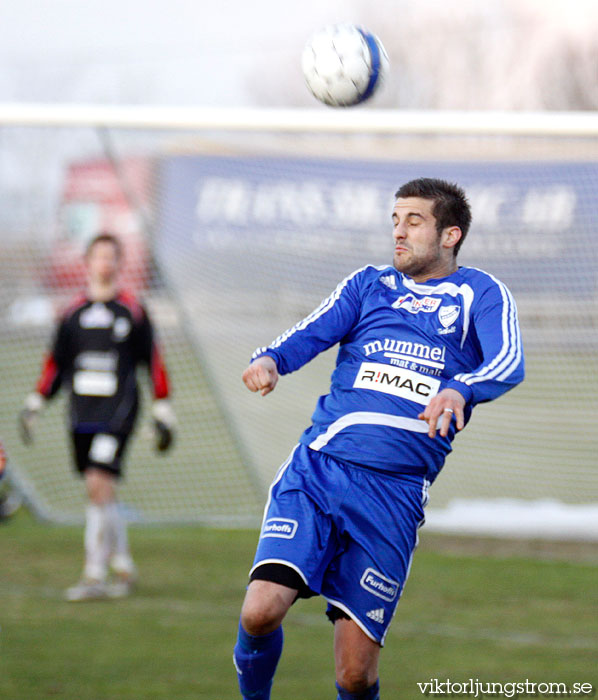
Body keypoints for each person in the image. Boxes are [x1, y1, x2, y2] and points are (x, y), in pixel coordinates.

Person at [233, 178, 524, 700]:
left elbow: (508, 361)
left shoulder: (481, 293)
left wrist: (461, 387)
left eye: (414, 221)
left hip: (393, 494)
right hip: (320, 470)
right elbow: (310, 331)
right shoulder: (368, 286)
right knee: (260, 611)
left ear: (450, 234)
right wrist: (270, 359)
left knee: (354, 675)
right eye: (395, 220)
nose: (398, 231)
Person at [19, 232, 175, 601]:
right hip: (81, 414)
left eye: (111, 257)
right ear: (87, 263)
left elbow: (152, 361)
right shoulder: (72, 313)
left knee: (97, 482)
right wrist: (36, 401)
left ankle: (93, 574)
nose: (105, 263)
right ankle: (123, 564)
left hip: (119, 412)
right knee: (102, 490)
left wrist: (163, 406)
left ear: (119, 264)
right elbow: (56, 363)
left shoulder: (133, 311)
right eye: (98, 256)